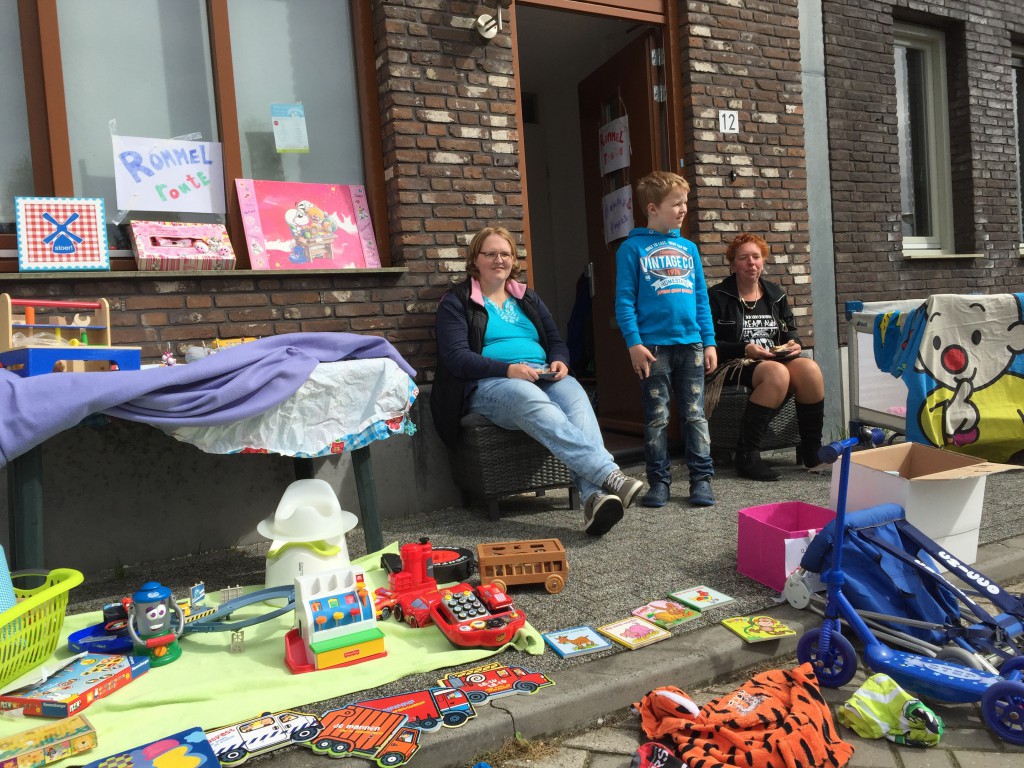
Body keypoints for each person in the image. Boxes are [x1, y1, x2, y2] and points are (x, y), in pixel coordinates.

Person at [432, 226, 644, 536]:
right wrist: (509, 369)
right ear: (475, 259)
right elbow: (456, 358)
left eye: (505, 254)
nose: (499, 260)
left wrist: (560, 360)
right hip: (489, 384)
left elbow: (556, 341)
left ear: (513, 260)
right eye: (490, 254)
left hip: (542, 373)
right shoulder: (457, 301)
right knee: (529, 397)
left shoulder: (527, 297)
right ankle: (609, 474)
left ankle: (594, 498)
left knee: (576, 398)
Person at [615, 171, 717, 509]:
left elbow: (701, 299)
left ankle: (701, 480)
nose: (683, 209)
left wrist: (709, 341)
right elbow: (624, 301)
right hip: (652, 348)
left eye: (685, 202)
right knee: (657, 418)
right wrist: (633, 343)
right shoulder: (631, 249)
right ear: (653, 208)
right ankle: (658, 482)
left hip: (692, 345)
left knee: (695, 414)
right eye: (676, 204)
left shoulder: (689, 249)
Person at [707, 233, 825, 481]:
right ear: (733, 263)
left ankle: (812, 450)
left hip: (771, 358)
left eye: (756, 257)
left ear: (763, 261)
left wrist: (794, 344)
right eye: (743, 258)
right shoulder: (716, 296)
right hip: (733, 363)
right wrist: (744, 348)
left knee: (810, 369)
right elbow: (709, 343)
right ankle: (747, 454)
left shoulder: (775, 294)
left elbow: (790, 331)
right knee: (776, 372)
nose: (751, 263)